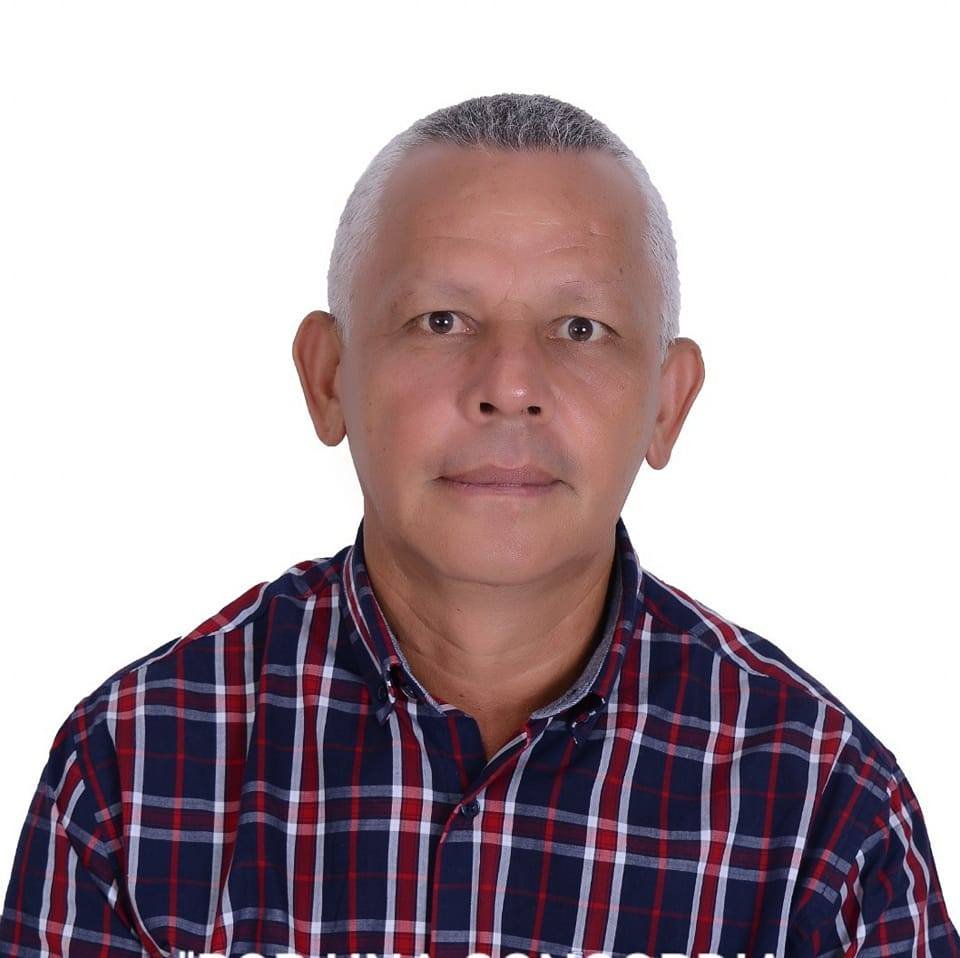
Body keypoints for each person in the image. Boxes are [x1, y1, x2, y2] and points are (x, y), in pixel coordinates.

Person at [1, 92, 956, 958]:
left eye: (579, 329)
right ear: (328, 378)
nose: (509, 386)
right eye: (442, 321)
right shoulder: (134, 768)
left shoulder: (825, 809)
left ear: (668, 403)